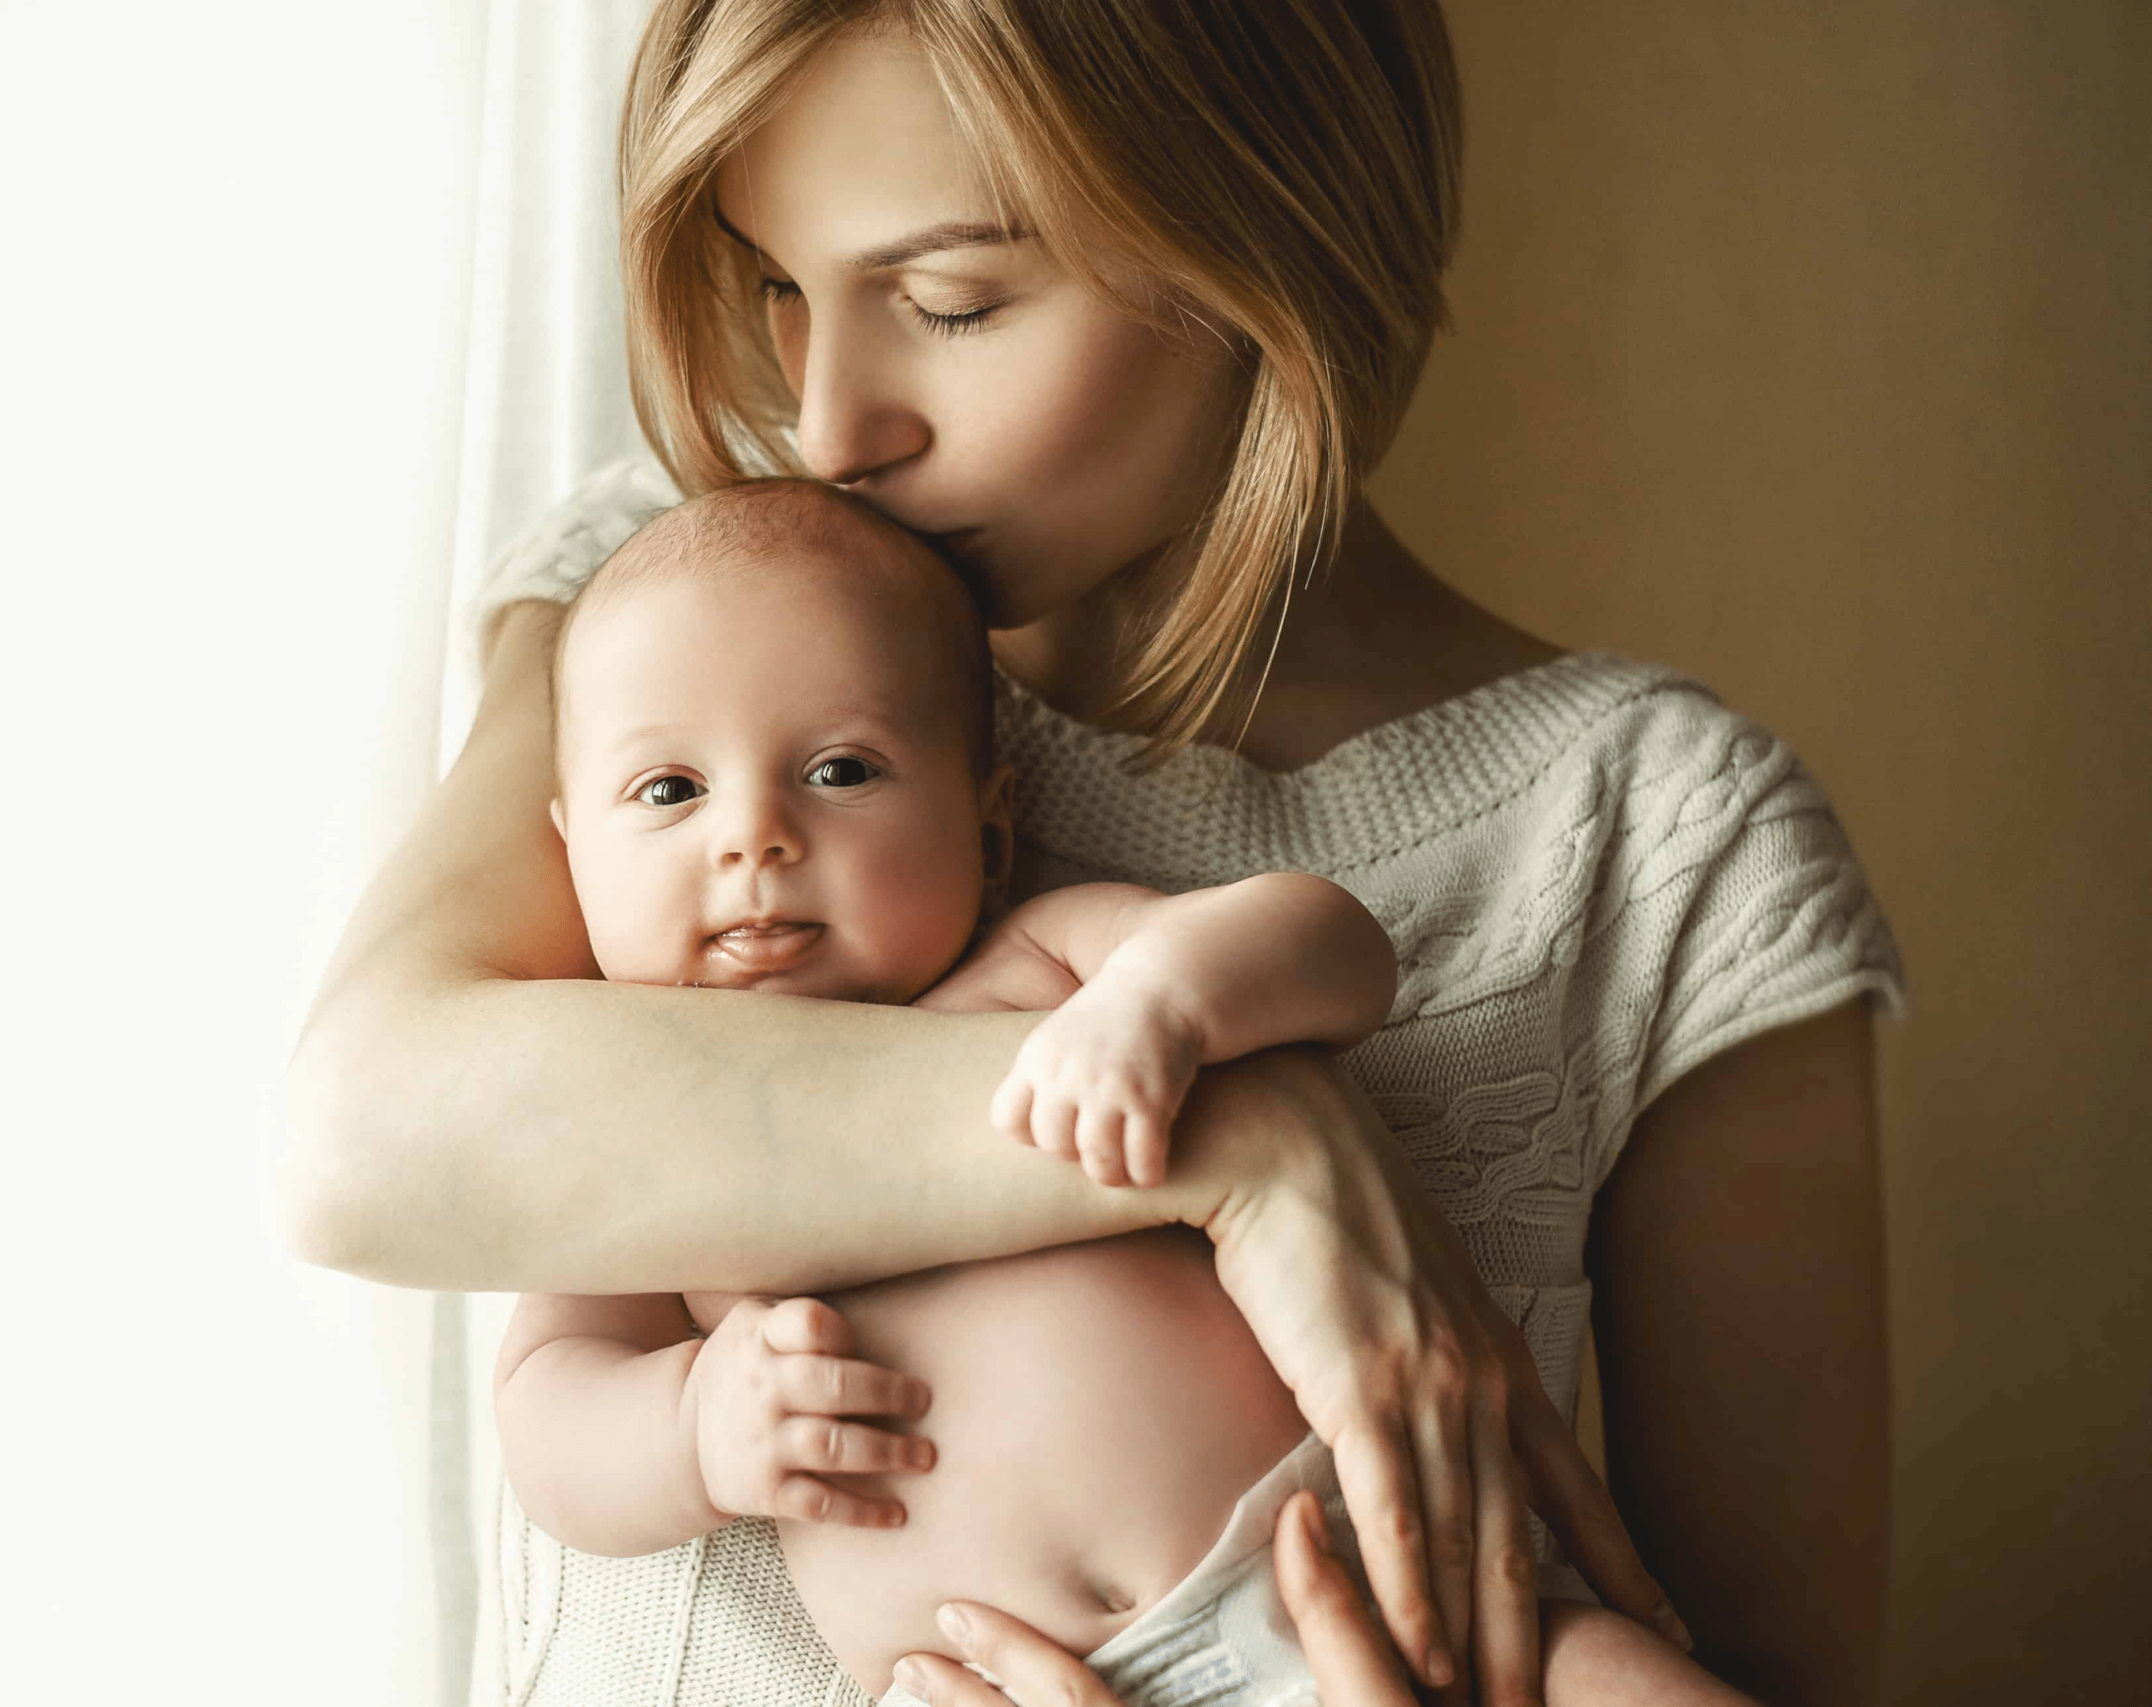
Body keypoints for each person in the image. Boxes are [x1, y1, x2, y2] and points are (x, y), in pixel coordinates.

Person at [277, 5, 1904, 1705]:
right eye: (778, 284)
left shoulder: (1657, 837)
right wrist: (1253, 1141)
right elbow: (359, 1143)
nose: (830, 426)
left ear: (1264, 225)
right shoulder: (678, 604)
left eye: (949, 301)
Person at [494, 476, 1755, 1707]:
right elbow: (546, 1404)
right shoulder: (646, 1143)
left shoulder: (1031, 975)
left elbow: (1332, 948)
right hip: (991, 1682)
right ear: (572, 852)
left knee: (1597, 1674)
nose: (753, 836)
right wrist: (691, 1428)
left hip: (1352, 1591)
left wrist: (1164, 1002)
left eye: (840, 771)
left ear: (987, 828)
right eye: (671, 791)